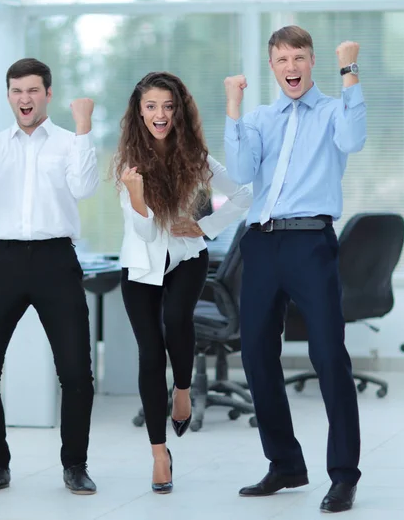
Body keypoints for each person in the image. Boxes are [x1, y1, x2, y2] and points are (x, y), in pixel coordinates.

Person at [223, 26, 365, 513]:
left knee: (328, 356)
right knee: (258, 356)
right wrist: (234, 109)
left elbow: (355, 137)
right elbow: (241, 172)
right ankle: (285, 464)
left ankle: (344, 475)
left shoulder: (332, 111)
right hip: (260, 244)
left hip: (310, 242)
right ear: (272, 66)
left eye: (299, 57)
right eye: (282, 59)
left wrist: (350, 73)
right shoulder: (261, 118)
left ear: (312, 61)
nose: (291, 67)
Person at [0, 58, 99, 496]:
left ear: (48, 94)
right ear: (9, 96)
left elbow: (84, 187)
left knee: (76, 372)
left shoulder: (68, 141)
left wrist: (84, 127)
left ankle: (75, 464)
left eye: (33, 90)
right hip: (0, 262)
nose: (25, 98)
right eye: (17, 91)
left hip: (56, 260)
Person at [114, 71, 252, 494]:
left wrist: (206, 226)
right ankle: (160, 454)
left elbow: (245, 194)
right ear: (139, 112)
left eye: (167, 107)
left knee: (177, 320)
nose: (160, 114)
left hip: (188, 259)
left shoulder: (198, 158)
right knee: (150, 353)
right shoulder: (128, 163)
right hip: (140, 266)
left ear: (178, 111)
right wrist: (137, 198)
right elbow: (147, 235)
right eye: (151, 106)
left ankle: (184, 389)